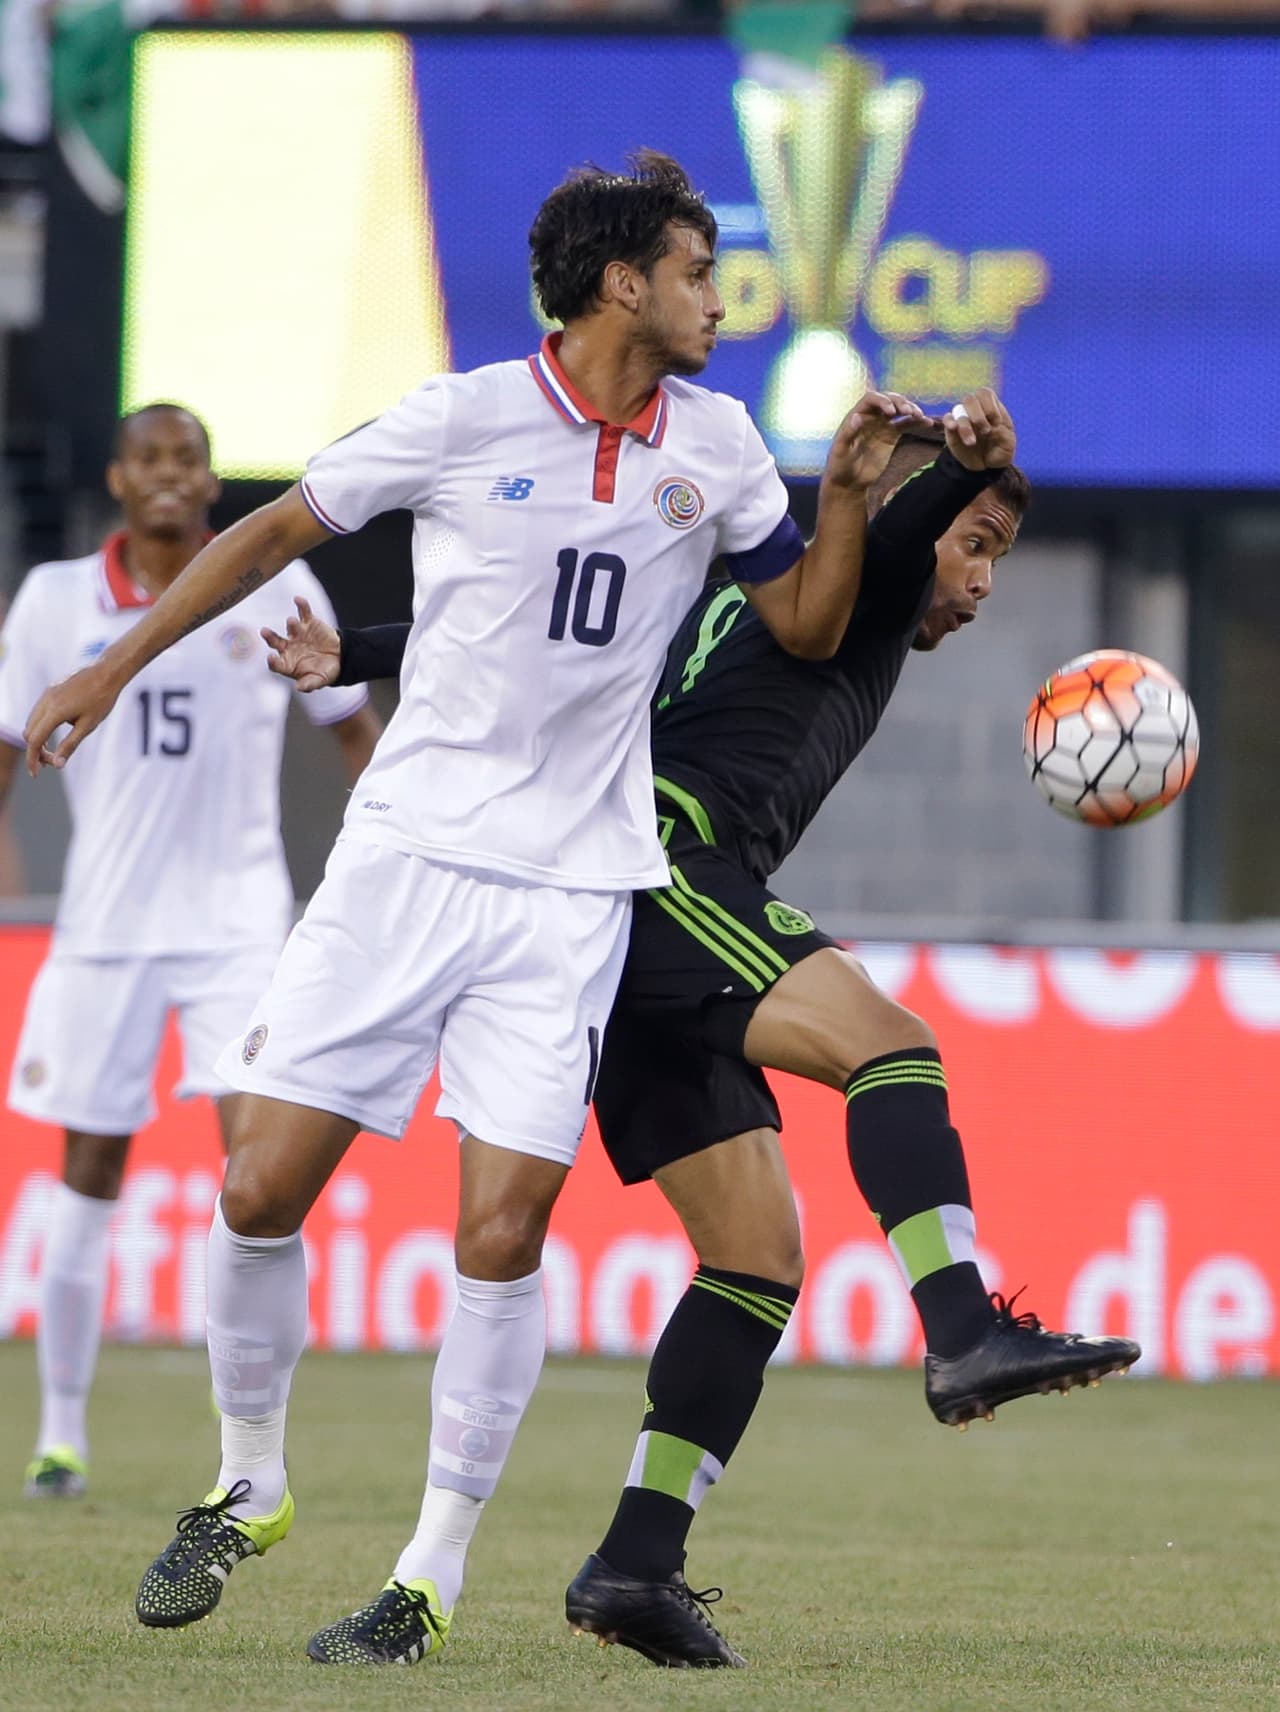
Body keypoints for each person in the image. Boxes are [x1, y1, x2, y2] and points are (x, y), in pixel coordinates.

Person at [22, 152, 927, 1664]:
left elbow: (806, 620)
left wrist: (841, 498)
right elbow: (267, 539)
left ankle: (427, 1576)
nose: (721, 300)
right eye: (701, 271)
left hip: (572, 893)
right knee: (257, 1193)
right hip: (404, 867)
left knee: (503, 1230)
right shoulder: (463, 417)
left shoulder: (716, 443)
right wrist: (109, 669)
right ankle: (249, 1478)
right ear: (622, 283)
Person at [294, 390, 1141, 1669]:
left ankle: (635, 1560)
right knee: (891, 1045)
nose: (973, 583)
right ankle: (962, 1326)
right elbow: (906, 512)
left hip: (616, 927)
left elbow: (522, 630)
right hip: (670, 867)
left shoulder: (708, 590)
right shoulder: (846, 570)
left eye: (989, 557)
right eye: (976, 547)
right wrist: (967, 464)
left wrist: (358, 643)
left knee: (753, 1259)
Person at [0, 402, 380, 1501]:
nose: (170, 476)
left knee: (252, 1173)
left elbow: (357, 735)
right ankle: (61, 1434)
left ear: (212, 482)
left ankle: (247, 1453)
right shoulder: (51, 601)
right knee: (87, 1170)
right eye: (149, 459)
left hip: (237, 924)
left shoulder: (275, 589)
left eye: (189, 460)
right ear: (117, 478)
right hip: (105, 925)